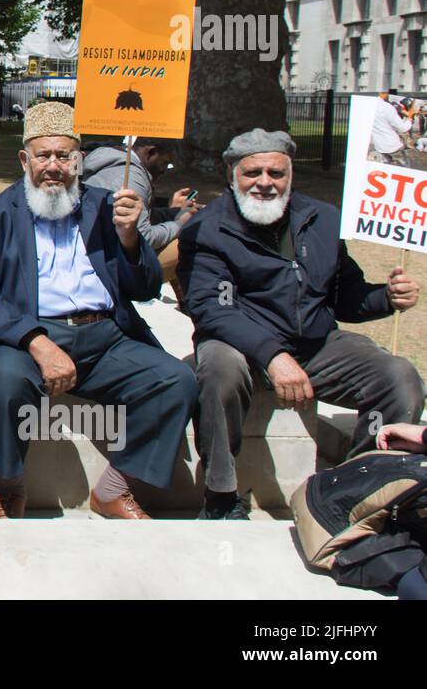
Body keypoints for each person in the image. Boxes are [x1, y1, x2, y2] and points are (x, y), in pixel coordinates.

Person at [0, 102, 198, 520]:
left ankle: (113, 489)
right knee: (5, 382)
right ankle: (9, 488)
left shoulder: (109, 208)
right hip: (28, 336)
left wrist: (129, 239)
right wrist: (38, 344)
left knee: (176, 379)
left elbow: (143, 288)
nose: (54, 166)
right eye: (43, 155)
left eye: (64, 155)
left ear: (79, 160)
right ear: (24, 159)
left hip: (105, 336)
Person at [179, 129, 423, 520]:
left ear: (290, 174)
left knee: (398, 376)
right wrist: (273, 356)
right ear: (232, 174)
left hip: (314, 346)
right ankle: (221, 495)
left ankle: (357, 489)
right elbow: (212, 309)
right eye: (252, 172)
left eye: (276, 173)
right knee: (218, 371)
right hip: (239, 344)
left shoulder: (323, 220)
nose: (264, 182)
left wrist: (386, 298)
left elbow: (346, 294)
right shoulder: (206, 229)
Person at [82, 137, 201, 286]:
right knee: (189, 239)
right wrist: (179, 224)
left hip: (101, 252)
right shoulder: (131, 176)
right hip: (108, 266)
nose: (165, 170)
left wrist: (175, 211)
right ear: (151, 153)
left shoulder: (118, 165)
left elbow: (141, 216)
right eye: (165, 163)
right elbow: (144, 237)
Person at [369, 94, 414, 165]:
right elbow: (404, 128)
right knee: (403, 170)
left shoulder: (368, 105)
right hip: (393, 146)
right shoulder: (386, 106)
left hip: (379, 146)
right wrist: (410, 118)